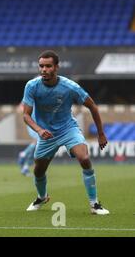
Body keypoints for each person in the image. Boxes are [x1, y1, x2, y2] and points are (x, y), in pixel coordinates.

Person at [22, 50, 109, 215]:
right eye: (41, 66)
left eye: (48, 66)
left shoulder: (70, 87)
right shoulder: (32, 86)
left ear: (56, 67)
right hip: (46, 133)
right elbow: (26, 115)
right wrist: (39, 130)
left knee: (84, 158)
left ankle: (94, 204)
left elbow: (93, 106)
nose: (44, 70)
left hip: (68, 129)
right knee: (38, 170)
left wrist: (101, 133)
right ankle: (42, 197)